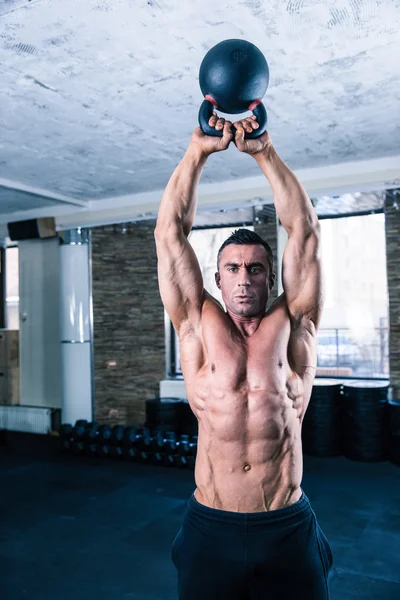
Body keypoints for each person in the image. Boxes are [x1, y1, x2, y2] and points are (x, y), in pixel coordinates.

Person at [154, 113, 333, 599]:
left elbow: (306, 234)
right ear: (217, 279)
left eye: (256, 269)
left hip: (287, 526)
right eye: (232, 268)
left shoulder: (295, 324)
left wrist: (264, 152)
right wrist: (196, 153)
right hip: (211, 526)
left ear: (271, 278)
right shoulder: (197, 324)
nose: (244, 277)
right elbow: (170, 234)